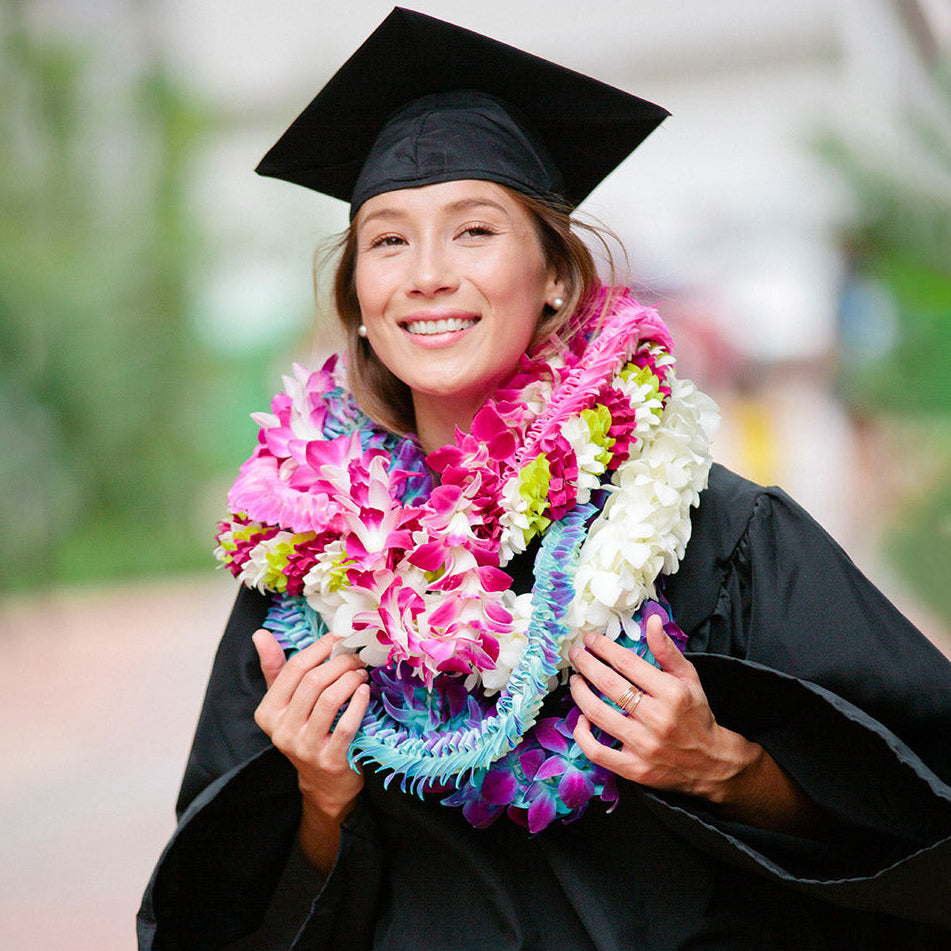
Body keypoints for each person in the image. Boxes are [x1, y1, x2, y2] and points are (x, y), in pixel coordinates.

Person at [138, 9, 951, 950]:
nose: (427, 276)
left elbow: (922, 819)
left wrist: (725, 768)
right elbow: (220, 915)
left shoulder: (714, 530)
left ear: (554, 276)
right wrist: (322, 798)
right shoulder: (311, 570)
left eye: (474, 230)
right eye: (390, 241)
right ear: (357, 297)